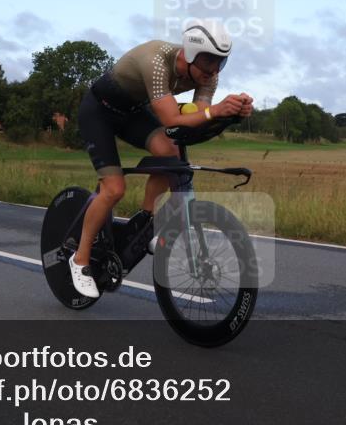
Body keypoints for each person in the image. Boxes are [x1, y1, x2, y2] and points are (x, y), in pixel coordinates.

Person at [70, 19, 253, 297]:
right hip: (99, 112)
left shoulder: (208, 76)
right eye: (208, 61)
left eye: (220, 62)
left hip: (132, 113)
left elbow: (195, 121)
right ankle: (80, 259)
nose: (214, 70)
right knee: (114, 188)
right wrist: (215, 111)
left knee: (170, 152)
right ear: (190, 54)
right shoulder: (156, 59)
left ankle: (144, 224)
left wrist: (230, 115)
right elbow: (170, 119)